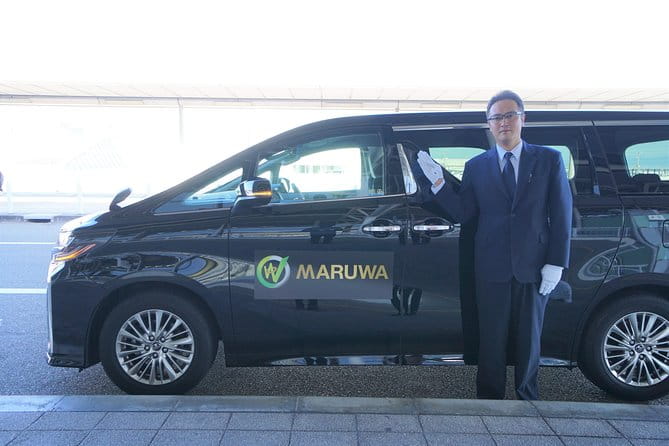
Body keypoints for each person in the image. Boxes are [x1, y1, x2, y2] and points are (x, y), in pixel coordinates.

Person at [417, 90, 572, 400]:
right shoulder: (476, 166)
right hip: (490, 267)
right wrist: (439, 183)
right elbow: (464, 213)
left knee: (530, 338)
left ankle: (527, 398)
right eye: (497, 117)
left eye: (509, 115)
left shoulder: (548, 159)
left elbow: (562, 212)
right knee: (491, 338)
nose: (503, 123)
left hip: (533, 266)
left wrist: (556, 263)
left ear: (523, 119)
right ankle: (489, 401)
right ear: (488, 124)